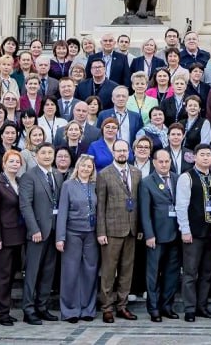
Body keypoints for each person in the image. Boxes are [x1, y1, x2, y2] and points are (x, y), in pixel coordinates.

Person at [18, 142, 63, 324]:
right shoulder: (29, 176)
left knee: (48, 271)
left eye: (50, 153)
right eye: (43, 153)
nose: (46, 156)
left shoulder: (58, 175)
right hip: (37, 232)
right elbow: (25, 205)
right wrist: (33, 229)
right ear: (36, 156)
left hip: (54, 231)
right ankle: (28, 309)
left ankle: (42, 307)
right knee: (32, 272)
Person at [96, 138, 140, 322]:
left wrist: (139, 228)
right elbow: (100, 206)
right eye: (118, 150)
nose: (122, 153)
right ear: (113, 153)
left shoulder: (136, 173)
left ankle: (122, 306)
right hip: (111, 229)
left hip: (131, 229)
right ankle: (106, 307)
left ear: (129, 152)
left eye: (125, 150)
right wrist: (101, 231)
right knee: (108, 271)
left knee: (126, 270)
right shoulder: (104, 174)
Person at [176, 142, 211, 322]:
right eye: (202, 154)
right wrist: (184, 230)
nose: (205, 158)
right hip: (193, 233)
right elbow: (181, 206)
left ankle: (202, 306)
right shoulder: (186, 177)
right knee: (190, 272)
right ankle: (189, 308)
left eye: (208, 155)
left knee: (207, 272)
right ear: (195, 157)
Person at [55, 154, 101, 322]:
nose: (86, 169)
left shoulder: (94, 185)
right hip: (72, 232)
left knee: (90, 271)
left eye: (89, 166)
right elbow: (62, 212)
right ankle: (70, 310)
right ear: (77, 167)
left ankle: (88, 309)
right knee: (70, 272)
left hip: (91, 233)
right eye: (83, 166)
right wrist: (60, 237)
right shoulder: (68, 185)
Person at [139, 148, 182, 322]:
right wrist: (149, 235)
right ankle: (154, 308)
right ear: (154, 162)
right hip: (156, 235)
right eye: (161, 162)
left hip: (176, 234)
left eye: (167, 161)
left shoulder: (178, 179)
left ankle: (167, 306)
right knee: (153, 273)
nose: (164, 165)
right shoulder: (147, 182)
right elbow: (144, 211)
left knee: (172, 274)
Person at [0, 149, 26, 326]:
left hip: (17, 236)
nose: (15, 165)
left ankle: (2, 310)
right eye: (11, 161)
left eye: (17, 162)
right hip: (2, 237)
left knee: (9, 277)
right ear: (4, 163)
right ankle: (0, 312)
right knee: (2, 276)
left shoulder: (18, 182)